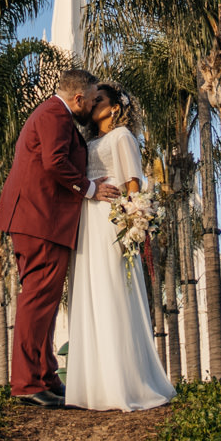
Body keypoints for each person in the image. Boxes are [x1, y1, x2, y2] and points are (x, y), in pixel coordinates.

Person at [0, 67, 113, 407]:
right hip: (39, 220)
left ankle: (44, 376)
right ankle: (28, 384)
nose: (91, 106)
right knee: (37, 299)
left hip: (41, 220)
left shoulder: (55, 115)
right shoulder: (54, 115)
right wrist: (90, 189)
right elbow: (54, 162)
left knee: (43, 301)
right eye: (91, 99)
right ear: (78, 98)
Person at [63, 82, 176, 412]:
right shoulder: (90, 140)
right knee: (92, 293)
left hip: (111, 220)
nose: (93, 103)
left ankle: (124, 383)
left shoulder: (123, 136)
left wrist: (133, 219)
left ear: (115, 107)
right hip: (89, 220)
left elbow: (133, 183)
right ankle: (93, 386)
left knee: (113, 291)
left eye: (99, 99)